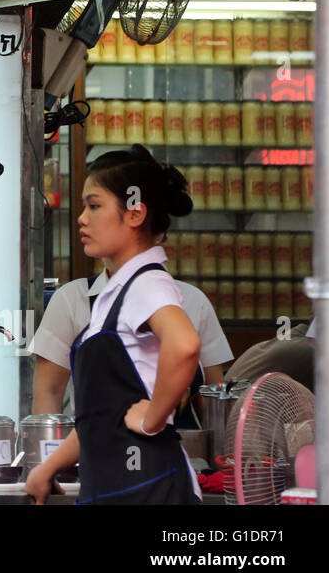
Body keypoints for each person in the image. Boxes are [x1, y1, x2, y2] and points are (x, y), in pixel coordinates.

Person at [26, 145, 202, 505]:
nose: (82, 219)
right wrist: (49, 467)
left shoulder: (147, 283)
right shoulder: (117, 291)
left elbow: (185, 345)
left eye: (94, 206)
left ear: (135, 213)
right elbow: (103, 416)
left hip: (147, 487)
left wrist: (153, 417)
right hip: (118, 487)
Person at [29, 269, 232, 426]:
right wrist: (50, 457)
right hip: (98, 451)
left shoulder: (193, 301)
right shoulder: (72, 298)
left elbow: (212, 400)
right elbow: (49, 391)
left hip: (181, 451)